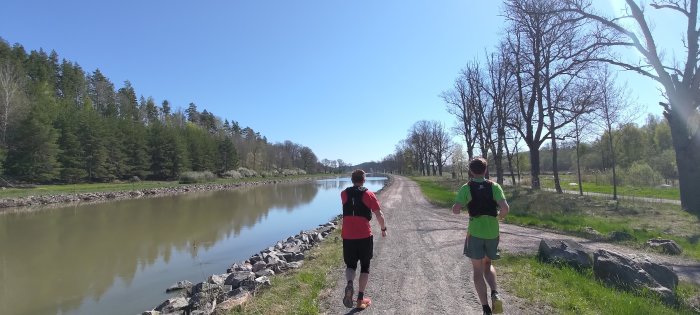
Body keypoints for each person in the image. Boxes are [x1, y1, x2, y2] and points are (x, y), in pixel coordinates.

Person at [452, 158, 510, 315]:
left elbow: (456, 209)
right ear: (485, 170)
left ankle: (485, 309)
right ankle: (495, 293)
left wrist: (458, 207)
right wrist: (498, 218)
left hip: (475, 232)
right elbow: (505, 208)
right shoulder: (494, 186)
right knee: (488, 264)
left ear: (471, 171)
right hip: (493, 232)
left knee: (477, 270)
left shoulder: (466, 188)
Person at [341, 169, 387, 310]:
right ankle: (360, 299)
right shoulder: (369, 194)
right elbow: (379, 215)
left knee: (351, 265)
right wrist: (383, 229)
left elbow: (350, 204)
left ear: (352, 179)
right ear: (364, 180)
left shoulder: (343, 194)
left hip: (347, 235)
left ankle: (350, 283)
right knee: (365, 267)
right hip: (364, 236)